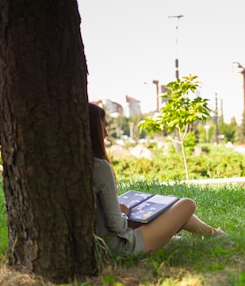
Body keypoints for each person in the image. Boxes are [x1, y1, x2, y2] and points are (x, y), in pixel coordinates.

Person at [89, 103, 223, 256]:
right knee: (186, 205)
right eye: (103, 126)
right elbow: (117, 226)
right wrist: (123, 213)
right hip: (121, 246)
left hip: (106, 239)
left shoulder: (81, 165)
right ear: (93, 129)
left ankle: (215, 233)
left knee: (170, 203)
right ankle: (214, 234)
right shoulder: (99, 167)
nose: (106, 133)